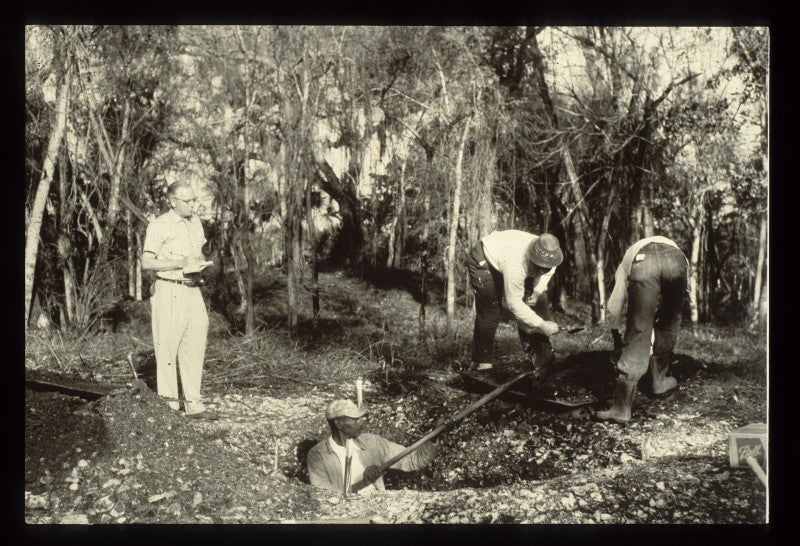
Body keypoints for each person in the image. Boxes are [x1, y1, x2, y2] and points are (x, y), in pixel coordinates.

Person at [141, 181, 218, 421]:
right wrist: (179, 263)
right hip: (169, 290)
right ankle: (170, 408)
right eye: (188, 201)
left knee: (195, 347)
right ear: (173, 201)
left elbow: (196, 254)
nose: (193, 205)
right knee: (167, 350)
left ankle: (194, 405)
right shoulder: (159, 224)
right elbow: (147, 262)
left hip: (193, 289)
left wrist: (200, 263)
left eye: (194, 199)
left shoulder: (195, 223)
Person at [596, 235, 689, 424]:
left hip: (643, 260)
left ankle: (622, 408)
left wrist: (615, 331)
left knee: (639, 325)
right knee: (669, 321)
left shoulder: (625, 263)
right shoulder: (676, 249)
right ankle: (660, 381)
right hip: (676, 260)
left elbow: (616, 303)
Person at [466, 230, 564, 377]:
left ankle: (541, 358)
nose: (541, 271)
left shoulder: (551, 253)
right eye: (538, 267)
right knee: (491, 310)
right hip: (485, 259)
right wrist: (542, 324)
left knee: (540, 301)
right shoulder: (516, 263)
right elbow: (514, 303)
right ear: (532, 258)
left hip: (505, 258)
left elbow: (547, 273)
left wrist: (537, 292)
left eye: (545, 268)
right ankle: (482, 364)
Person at [306, 399, 437, 495]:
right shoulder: (318, 455)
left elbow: (413, 460)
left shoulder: (372, 442)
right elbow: (324, 497)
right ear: (338, 423)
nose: (361, 423)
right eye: (355, 419)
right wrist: (364, 481)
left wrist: (434, 437)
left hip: (378, 508)